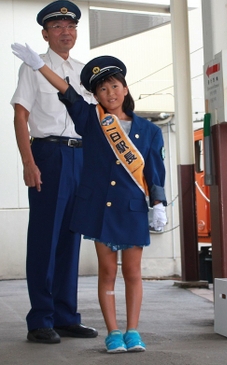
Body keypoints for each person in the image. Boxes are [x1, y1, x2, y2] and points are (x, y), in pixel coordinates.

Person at [11, 43, 168, 353]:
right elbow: (67, 91)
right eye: (102, 89)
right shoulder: (92, 122)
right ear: (94, 96)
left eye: (115, 85)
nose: (110, 92)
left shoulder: (149, 130)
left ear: (125, 87)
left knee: (132, 272)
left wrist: (159, 204)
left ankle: (128, 330)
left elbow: (155, 169)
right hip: (96, 203)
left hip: (131, 208)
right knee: (104, 271)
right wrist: (39, 66)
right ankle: (100, 330)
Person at [10, 0, 98, 344]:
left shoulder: (84, 72)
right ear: (45, 34)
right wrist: (28, 162)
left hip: (80, 157)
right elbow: (20, 116)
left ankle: (65, 316)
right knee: (45, 239)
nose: (66, 32)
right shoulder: (33, 67)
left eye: (71, 26)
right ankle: (40, 319)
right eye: (58, 27)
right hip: (47, 154)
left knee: (70, 240)